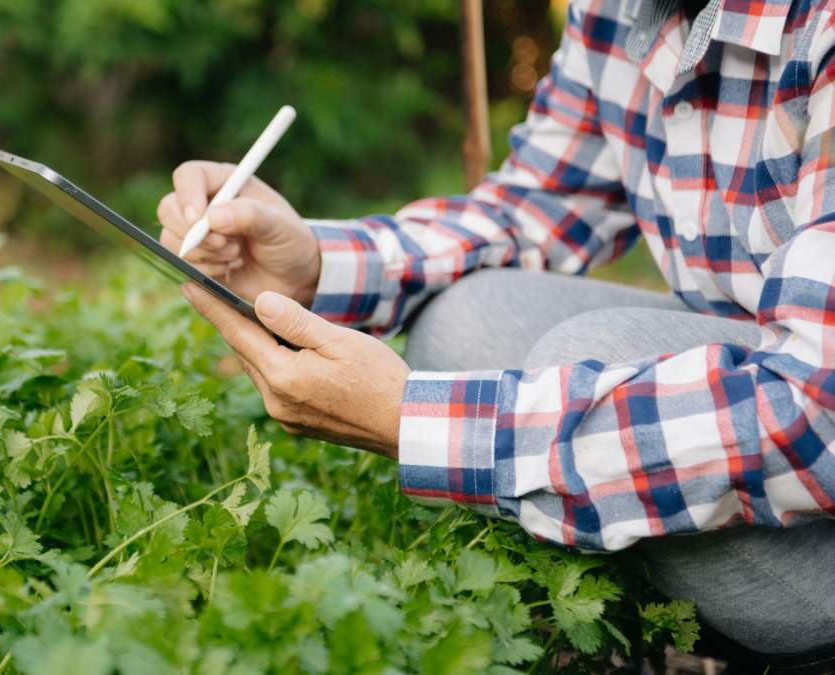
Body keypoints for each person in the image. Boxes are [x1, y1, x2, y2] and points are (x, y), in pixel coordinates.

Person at [157, 0, 835, 669]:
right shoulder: (620, 10)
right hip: (767, 392)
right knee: (465, 321)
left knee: (577, 358)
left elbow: (814, 409)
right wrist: (315, 264)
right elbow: (535, 206)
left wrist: (417, 424)